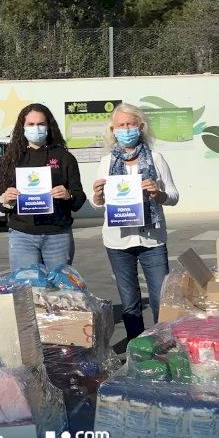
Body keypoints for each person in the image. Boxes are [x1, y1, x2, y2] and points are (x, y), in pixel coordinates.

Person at [89, 103, 180, 340]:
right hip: (118, 242)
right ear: (113, 129)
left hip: (152, 240)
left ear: (140, 127)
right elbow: (97, 203)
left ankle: (163, 344)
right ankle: (136, 348)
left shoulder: (156, 159)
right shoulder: (107, 162)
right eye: (121, 125)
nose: (126, 129)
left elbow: (173, 196)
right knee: (130, 303)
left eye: (131, 124)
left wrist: (158, 194)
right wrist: (98, 195)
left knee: (161, 299)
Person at [0, 103, 86, 270]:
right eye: (30, 124)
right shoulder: (12, 159)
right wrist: (6, 199)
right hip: (22, 236)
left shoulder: (64, 157)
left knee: (59, 285)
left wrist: (68, 195)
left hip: (57, 234)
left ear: (49, 126)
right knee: (27, 284)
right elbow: (1, 202)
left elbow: (79, 199)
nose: (36, 128)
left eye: (41, 124)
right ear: (22, 127)